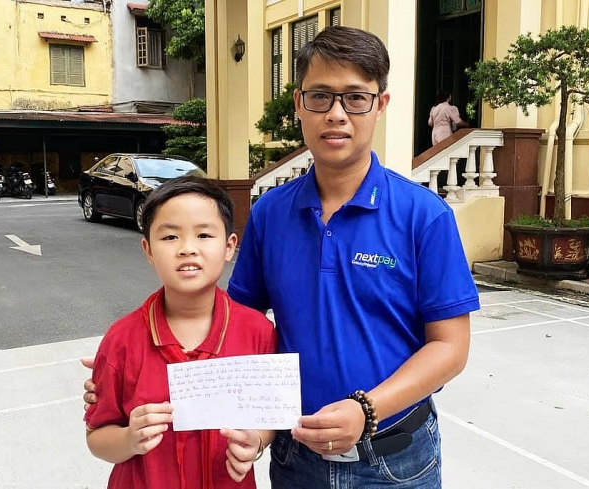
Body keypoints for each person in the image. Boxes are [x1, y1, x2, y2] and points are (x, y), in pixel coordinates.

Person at [85, 25, 479, 488]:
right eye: (320, 97)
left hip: (395, 458)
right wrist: (127, 373)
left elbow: (450, 348)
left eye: (356, 98)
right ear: (298, 104)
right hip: (295, 457)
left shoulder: (423, 216)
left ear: (381, 104)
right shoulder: (271, 213)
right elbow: (235, 325)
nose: (336, 114)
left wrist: (365, 409)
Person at [83, 176, 277, 488]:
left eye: (204, 235)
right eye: (170, 237)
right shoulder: (122, 339)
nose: (187, 249)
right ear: (148, 250)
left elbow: (270, 414)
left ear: (229, 246)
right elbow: (97, 437)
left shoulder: (258, 333)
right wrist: (129, 439)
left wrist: (256, 441)